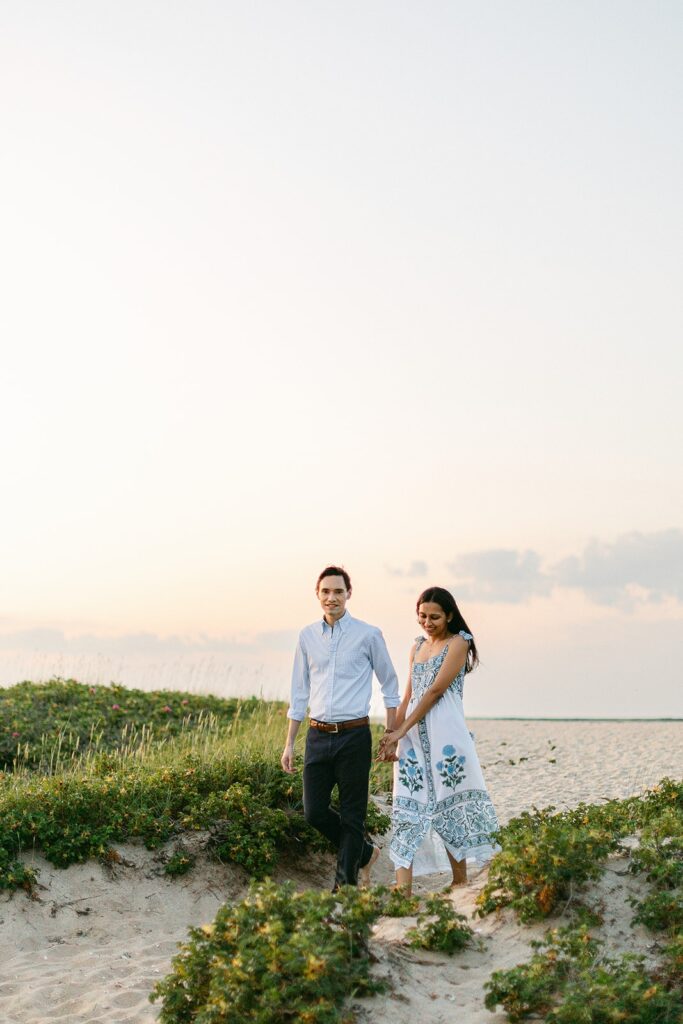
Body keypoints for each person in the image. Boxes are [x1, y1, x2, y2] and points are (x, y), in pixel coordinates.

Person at [281, 566, 401, 889]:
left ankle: (343, 890)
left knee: (352, 816)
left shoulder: (368, 635)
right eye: (325, 592)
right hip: (317, 736)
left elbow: (390, 684)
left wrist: (391, 734)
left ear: (349, 594)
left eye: (338, 591)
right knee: (314, 813)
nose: (331, 597)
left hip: (354, 736)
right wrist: (290, 742)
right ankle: (363, 853)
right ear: (317, 595)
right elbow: (299, 692)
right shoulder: (306, 637)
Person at [378, 586, 499, 894]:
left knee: (450, 803)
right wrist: (392, 734)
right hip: (412, 738)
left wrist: (403, 729)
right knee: (407, 804)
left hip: (447, 737)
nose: (427, 622)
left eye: (434, 617)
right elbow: (408, 695)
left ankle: (460, 880)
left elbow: (434, 692)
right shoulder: (416, 647)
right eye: (422, 616)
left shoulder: (459, 643)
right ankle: (403, 887)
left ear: (449, 616)